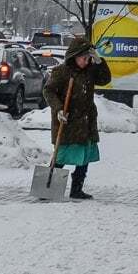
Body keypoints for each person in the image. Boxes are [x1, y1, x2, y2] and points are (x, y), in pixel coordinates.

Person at [43, 38, 111, 199]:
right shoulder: (62, 71)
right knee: (62, 155)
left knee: (84, 157)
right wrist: (59, 109)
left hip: (86, 121)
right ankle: (50, 188)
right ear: (74, 56)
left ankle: (76, 189)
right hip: (68, 121)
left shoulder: (90, 70)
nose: (86, 62)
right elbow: (49, 91)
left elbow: (105, 79)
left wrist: (99, 61)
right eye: (83, 58)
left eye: (88, 59)